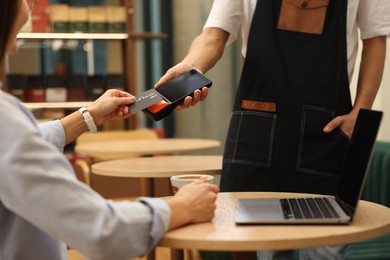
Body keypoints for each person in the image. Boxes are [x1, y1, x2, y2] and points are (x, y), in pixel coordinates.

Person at [155, 0, 390, 259]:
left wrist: (360, 112)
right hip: (259, 133)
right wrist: (192, 65)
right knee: (267, 250)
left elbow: (375, 37)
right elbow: (214, 33)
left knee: (327, 253)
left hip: (326, 134)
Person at [0, 0, 219, 259]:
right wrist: (182, 206)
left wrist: (88, 115)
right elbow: (102, 229)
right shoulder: (6, 118)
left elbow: (22, 145)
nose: (31, 4)